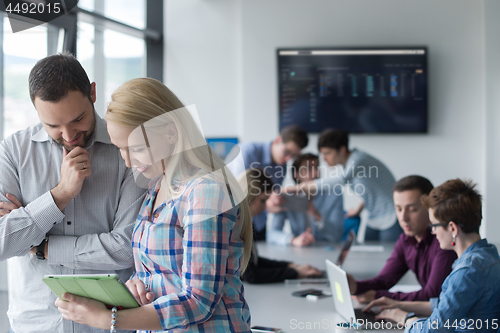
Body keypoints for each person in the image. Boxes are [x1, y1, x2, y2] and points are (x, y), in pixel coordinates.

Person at [55, 78, 253, 332]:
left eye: (136, 148)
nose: (128, 162)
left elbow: (199, 301)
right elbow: (161, 270)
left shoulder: (205, 191)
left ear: (171, 132)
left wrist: (107, 319)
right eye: (120, 149)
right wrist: (138, 285)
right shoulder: (156, 188)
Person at [0, 53, 145, 333]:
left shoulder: (126, 150)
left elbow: (127, 248)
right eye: (53, 125)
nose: (68, 135)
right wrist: (60, 195)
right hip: (36, 324)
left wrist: (42, 247)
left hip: (110, 324)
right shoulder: (13, 152)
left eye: (77, 119)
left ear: (92, 93)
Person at [363, 179, 500, 332]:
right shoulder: (488, 254)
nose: (433, 231)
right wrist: (399, 305)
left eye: (434, 225)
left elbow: (431, 330)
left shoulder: (467, 271)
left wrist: (405, 318)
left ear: (452, 229)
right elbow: (446, 305)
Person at [347, 176, 457, 303]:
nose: (403, 217)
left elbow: (432, 295)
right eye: (398, 209)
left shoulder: (443, 241)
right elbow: (384, 280)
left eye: (412, 209)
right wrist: (355, 286)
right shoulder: (406, 240)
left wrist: (379, 296)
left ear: (429, 208)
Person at [284, 129, 400, 241]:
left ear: (342, 150)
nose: (324, 159)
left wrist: (297, 187)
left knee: (390, 256)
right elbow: (371, 189)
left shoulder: (357, 160)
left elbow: (341, 180)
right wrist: (358, 210)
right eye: (322, 154)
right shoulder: (350, 165)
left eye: (328, 153)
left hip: (390, 216)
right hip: (373, 218)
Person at [239, 168, 323, 283]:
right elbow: (251, 275)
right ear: (249, 195)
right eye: (263, 201)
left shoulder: (245, 222)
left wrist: (291, 266)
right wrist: (296, 273)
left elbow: (254, 262)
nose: (265, 207)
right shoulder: (236, 226)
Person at [225, 125, 308, 240]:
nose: (288, 158)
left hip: (258, 223)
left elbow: (271, 196)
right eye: (287, 152)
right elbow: (243, 193)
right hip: (236, 222)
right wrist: (268, 203)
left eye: (293, 156)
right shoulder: (247, 152)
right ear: (278, 140)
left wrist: (274, 203)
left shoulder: (282, 167)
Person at [267, 153, 345, 246]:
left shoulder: (334, 195)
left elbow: (337, 236)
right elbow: (272, 234)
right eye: (308, 169)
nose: (316, 173)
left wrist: (316, 215)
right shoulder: (287, 197)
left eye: (317, 168)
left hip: (326, 249)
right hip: (299, 251)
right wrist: (293, 239)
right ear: (296, 174)